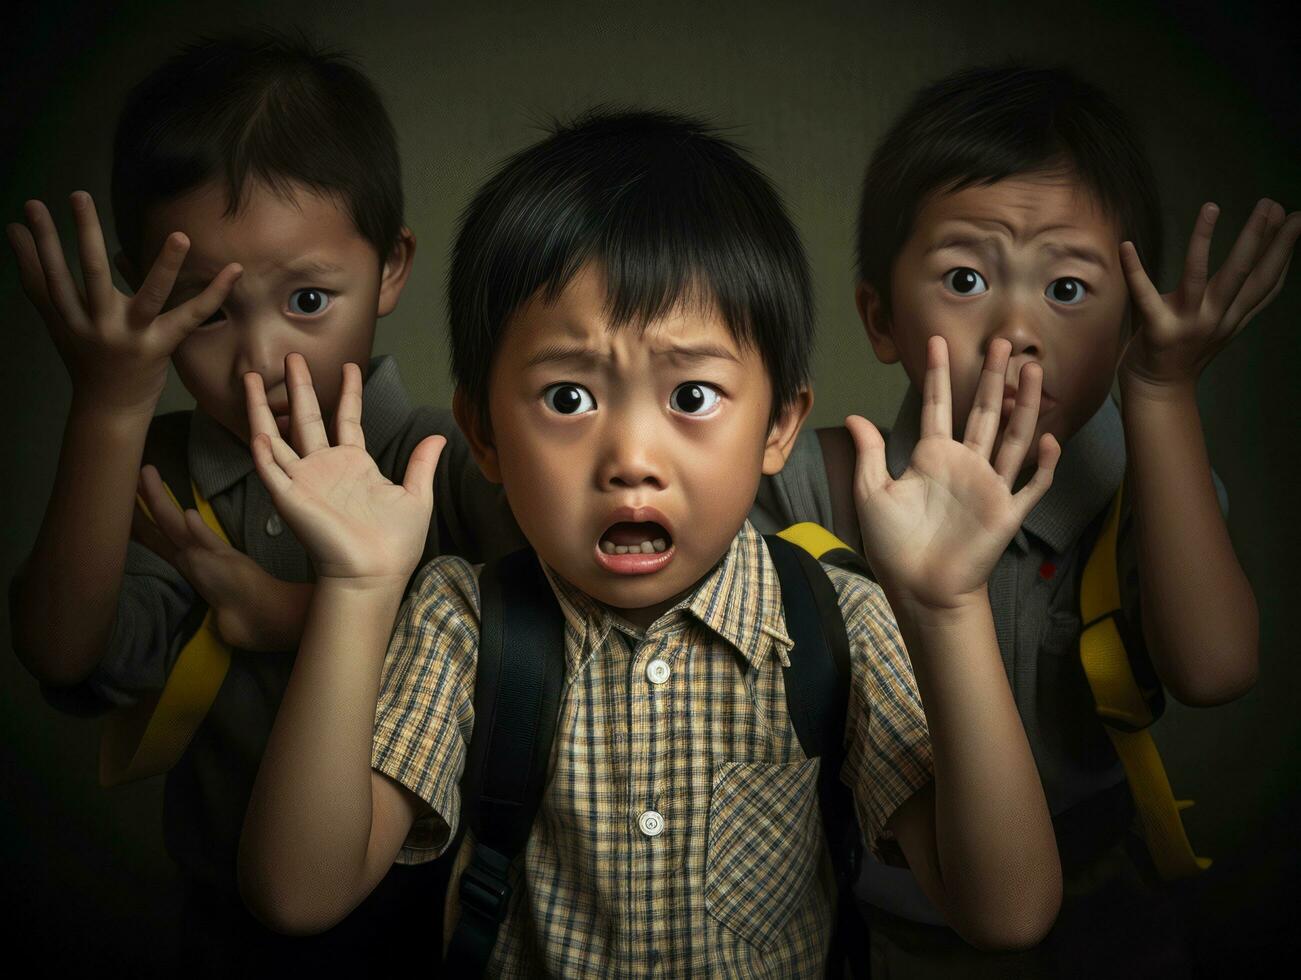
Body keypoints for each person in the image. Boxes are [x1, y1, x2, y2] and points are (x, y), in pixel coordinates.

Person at [237, 108, 1064, 975]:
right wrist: (356, 588)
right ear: (483, 434)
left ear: (780, 424)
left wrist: (947, 607)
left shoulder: (834, 623)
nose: (631, 461)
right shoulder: (461, 622)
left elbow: (1006, 913)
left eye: (693, 397)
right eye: (568, 399)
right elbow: (297, 894)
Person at [755, 64, 1299, 975]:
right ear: (880, 319)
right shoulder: (808, 483)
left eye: (1068, 290)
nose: (1015, 331)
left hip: (1103, 915)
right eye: (965, 278)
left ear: (1130, 325)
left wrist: (1160, 391)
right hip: (858, 919)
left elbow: (1213, 668)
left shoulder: (1145, 481)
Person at [6, 31, 520, 970]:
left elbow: (546, 660)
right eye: (207, 308)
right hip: (230, 929)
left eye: (310, 301)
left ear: (392, 268)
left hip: (457, 927)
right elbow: (58, 653)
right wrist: (110, 410)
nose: (261, 358)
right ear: (146, 292)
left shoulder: (444, 457)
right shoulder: (162, 467)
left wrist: (293, 615)